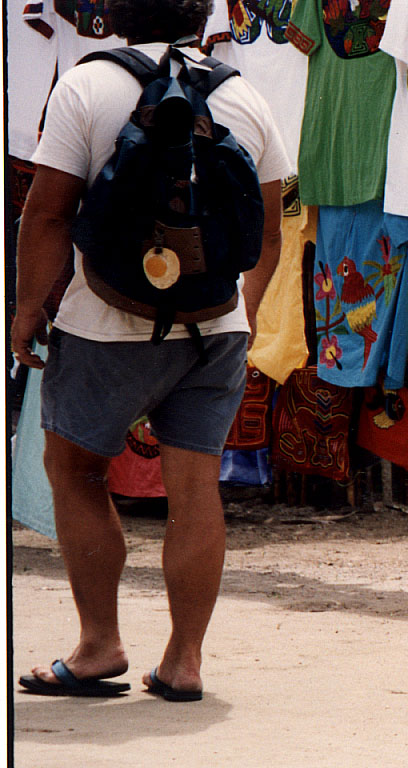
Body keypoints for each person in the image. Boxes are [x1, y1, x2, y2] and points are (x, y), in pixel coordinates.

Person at [13, 0, 289, 702]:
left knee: (74, 470)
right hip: (216, 321)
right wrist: (244, 316)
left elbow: (46, 212)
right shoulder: (243, 94)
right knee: (195, 487)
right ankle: (184, 662)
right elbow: (268, 230)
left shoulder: (84, 85)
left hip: (107, 320)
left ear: (115, 15)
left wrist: (25, 311)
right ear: (200, 17)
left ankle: (99, 643)